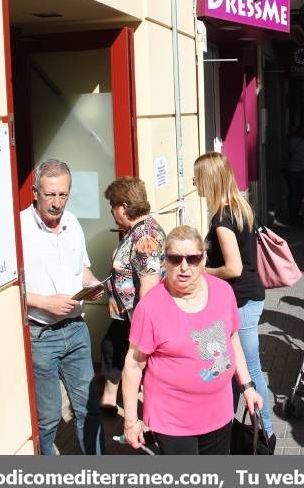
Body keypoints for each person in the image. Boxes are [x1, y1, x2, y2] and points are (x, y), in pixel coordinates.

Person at [120, 226, 264, 454]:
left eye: (193, 258)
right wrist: (130, 421)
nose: (184, 267)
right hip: (173, 422)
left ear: (204, 258)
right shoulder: (150, 307)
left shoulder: (223, 292)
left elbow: (232, 338)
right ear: (164, 261)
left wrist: (247, 387)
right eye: (175, 259)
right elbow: (133, 365)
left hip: (220, 413)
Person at [20, 159, 105, 455]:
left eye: (63, 195)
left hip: (76, 330)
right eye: (50, 195)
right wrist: (44, 302)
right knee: (48, 420)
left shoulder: (73, 223)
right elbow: (9, 288)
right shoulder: (19, 230)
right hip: (41, 335)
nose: (57, 203)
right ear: (34, 192)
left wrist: (94, 284)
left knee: (89, 410)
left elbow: (81, 269)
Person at [193, 152, 275, 442]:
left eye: (197, 177)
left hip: (241, 301)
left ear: (209, 179)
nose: (194, 182)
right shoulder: (239, 206)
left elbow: (233, 267)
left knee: (247, 369)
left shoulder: (222, 218)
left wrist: (202, 271)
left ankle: (265, 432)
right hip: (250, 297)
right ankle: (227, 424)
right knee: (235, 367)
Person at [98, 177, 165, 415]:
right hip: (127, 314)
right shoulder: (136, 230)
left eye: (113, 206)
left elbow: (149, 283)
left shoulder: (144, 235)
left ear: (124, 206)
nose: (112, 212)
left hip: (137, 316)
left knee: (139, 366)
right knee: (111, 347)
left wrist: (143, 327)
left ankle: (148, 420)